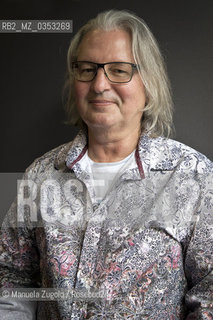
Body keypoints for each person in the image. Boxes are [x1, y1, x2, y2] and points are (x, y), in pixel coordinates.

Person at [0, 9, 213, 319]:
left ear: (148, 82)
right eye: (86, 69)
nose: (99, 84)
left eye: (118, 70)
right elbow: (11, 279)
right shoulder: (41, 176)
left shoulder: (193, 178)